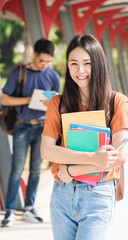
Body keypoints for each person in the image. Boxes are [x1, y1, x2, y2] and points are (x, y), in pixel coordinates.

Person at [41, 34, 128, 240]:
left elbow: (120, 155)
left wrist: (73, 170)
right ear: (67, 65)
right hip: (62, 194)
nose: (80, 70)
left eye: (87, 63)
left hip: (98, 195)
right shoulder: (57, 103)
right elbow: (47, 150)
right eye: (74, 63)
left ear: (98, 65)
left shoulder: (117, 102)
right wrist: (93, 159)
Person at [1, 38, 61, 227]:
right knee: (17, 170)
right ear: (34, 55)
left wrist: (49, 104)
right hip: (22, 125)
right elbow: (5, 99)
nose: (45, 65)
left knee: (36, 169)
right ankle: (9, 211)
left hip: (43, 127)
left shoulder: (52, 76)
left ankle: (29, 208)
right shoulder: (19, 73)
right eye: (42, 61)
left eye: (48, 62)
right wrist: (29, 99)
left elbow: (58, 104)